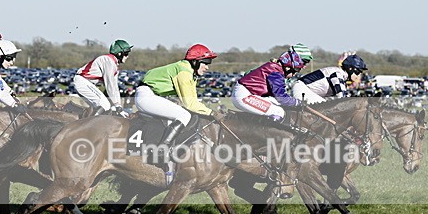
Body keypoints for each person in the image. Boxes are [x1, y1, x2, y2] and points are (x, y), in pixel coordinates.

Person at [134, 43, 216, 183]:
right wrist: (212, 113)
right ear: (195, 61)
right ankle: (162, 150)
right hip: (147, 96)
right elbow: (190, 104)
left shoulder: (189, 72)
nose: (207, 66)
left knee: (181, 114)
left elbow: (193, 101)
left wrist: (208, 111)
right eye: (206, 62)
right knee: (184, 115)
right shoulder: (184, 71)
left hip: (151, 95)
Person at [231, 43, 313, 121]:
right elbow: (282, 98)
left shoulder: (273, 66)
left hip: (245, 93)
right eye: (304, 62)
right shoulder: (276, 71)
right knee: (278, 112)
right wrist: (297, 103)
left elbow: (248, 73)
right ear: (295, 58)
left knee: (278, 105)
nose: (304, 66)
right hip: (244, 96)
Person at [72, 39, 131, 116]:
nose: (127, 56)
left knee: (99, 107)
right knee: (105, 105)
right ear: (119, 54)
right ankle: (91, 126)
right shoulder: (108, 61)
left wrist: (119, 106)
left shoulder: (114, 64)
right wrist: (116, 105)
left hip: (85, 83)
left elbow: (114, 87)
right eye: (126, 54)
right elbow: (109, 85)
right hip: (83, 82)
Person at [291, 51, 367, 104]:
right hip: (301, 89)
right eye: (358, 72)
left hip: (307, 91)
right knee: (325, 108)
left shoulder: (342, 77)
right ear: (350, 69)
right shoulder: (337, 74)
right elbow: (342, 98)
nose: (359, 75)